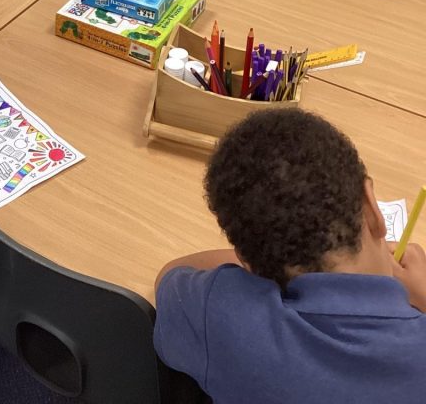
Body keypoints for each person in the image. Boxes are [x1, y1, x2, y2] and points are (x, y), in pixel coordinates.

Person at [153, 109, 426, 404]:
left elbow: (170, 277)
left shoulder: (220, 314)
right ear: (372, 207)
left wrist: (258, 258)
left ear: (247, 261)